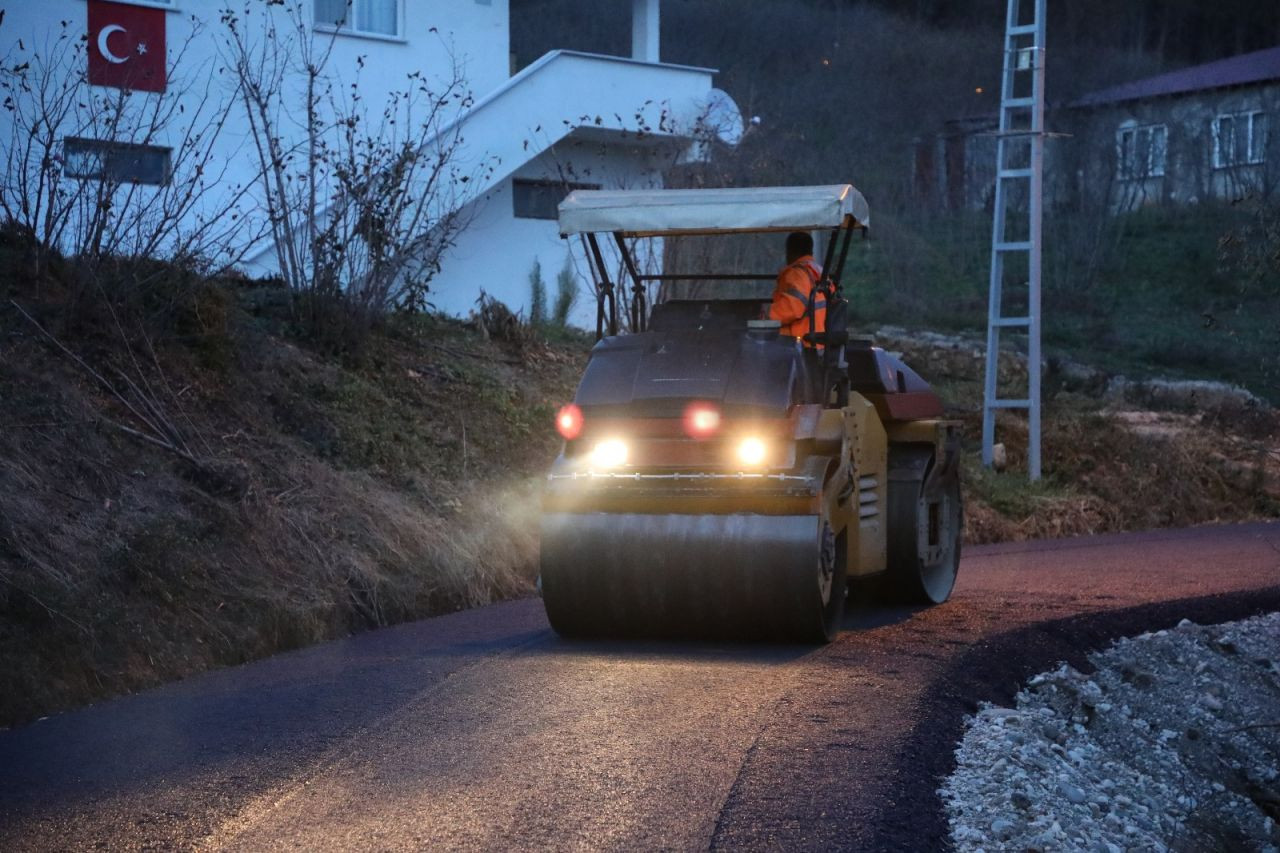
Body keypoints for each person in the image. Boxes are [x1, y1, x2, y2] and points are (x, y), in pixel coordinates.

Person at [768, 231, 825, 344]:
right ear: (811, 251)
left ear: (790, 251)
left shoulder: (797, 274)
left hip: (797, 343)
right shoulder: (819, 272)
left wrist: (765, 315)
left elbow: (792, 308)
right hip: (818, 340)